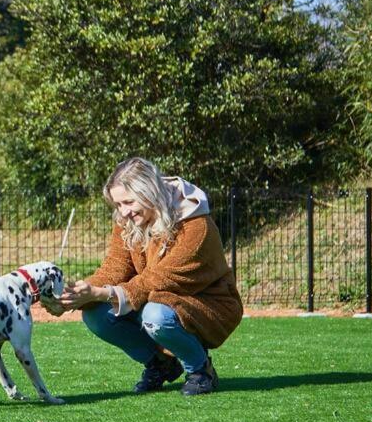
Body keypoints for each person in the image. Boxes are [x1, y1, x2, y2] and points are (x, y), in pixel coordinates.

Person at [59, 157, 243, 396]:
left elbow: (160, 278)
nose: (123, 212)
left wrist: (102, 293)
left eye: (128, 202)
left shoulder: (196, 225)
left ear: (149, 192)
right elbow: (115, 267)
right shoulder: (128, 220)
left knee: (155, 316)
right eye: (118, 205)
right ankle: (160, 364)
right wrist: (75, 296)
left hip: (209, 304)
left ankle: (200, 370)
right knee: (95, 315)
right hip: (157, 297)